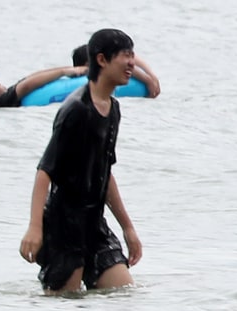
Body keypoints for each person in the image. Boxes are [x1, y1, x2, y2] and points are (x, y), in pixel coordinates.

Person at [18, 29, 143, 294]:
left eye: (133, 55)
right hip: (64, 226)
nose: (133, 63)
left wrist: (128, 228)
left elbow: (105, 172)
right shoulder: (76, 110)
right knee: (66, 305)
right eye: (126, 56)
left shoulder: (113, 109)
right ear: (102, 60)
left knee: (124, 294)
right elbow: (45, 171)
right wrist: (34, 227)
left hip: (94, 222)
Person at [0, 62, 88, 108]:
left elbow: (30, 78)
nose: (3, 87)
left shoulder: (2, 100)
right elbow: (25, 86)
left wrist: (70, 69)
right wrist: (64, 72)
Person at [71, 44, 161, 97]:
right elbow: (121, 66)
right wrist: (148, 80)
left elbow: (130, 58)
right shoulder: (86, 73)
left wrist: (150, 74)